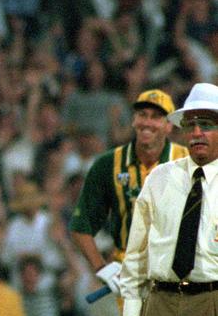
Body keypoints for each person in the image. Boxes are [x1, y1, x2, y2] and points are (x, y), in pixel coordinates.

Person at [69, 89, 188, 301]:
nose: (147, 123)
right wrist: (102, 268)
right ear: (133, 120)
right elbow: (81, 226)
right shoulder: (108, 165)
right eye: (142, 115)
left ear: (169, 126)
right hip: (130, 274)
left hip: (181, 271)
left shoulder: (187, 161)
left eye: (156, 117)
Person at [120, 82, 218, 316]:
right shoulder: (160, 178)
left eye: (205, 124)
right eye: (189, 125)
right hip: (159, 301)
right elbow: (136, 255)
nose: (196, 133)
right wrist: (131, 311)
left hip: (211, 301)